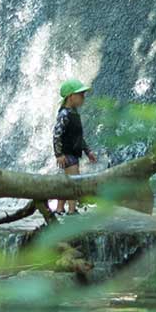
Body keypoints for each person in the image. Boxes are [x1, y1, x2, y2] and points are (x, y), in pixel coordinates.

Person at [52, 78, 96, 214]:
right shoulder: (64, 114)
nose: (83, 98)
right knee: (74, 182)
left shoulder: (74, 113)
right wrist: (59, 154)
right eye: (81, 95)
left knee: (68, 182)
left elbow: (79, 137)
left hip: (73, 153)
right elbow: (56, 135)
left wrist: (88, 151)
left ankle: (59, 209)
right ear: (71, 97)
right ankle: (71, 210)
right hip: (67, 154)